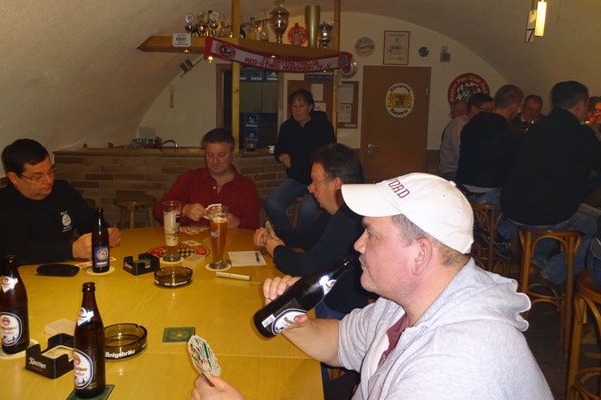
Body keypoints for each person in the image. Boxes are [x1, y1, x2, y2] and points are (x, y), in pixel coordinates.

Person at [191, 173, 552, 400]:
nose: (358, 244)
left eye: (372, 235)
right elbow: (340, 343)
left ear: (420, 254)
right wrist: (296, 321)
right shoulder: (405, 301)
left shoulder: (453, 369)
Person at [253, 143, 374, 320]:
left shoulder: (350, 219)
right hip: (328, 299)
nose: (310, 189)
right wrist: (272, 234)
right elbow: (307, 236)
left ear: (336, 184)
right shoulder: (339, 211)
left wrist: (276, 250)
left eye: (315, 182)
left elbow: (306, 268)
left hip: (342, 313)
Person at [501, 81, 601, 286]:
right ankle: (552, 274)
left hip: (515, 207)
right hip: (548, 211)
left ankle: (535, 265)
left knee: (553, 207)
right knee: (576, 217)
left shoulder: (537, 127)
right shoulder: (580, 133)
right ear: (580, 105)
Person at [0, 139, 121, 277]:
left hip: (57, 269)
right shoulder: (1, 207)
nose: (48, 180)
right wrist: (72, 250)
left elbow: (88, 221)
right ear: (14, 177)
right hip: (10, 280)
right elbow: (18, 252)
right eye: (37, 177)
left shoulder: (63, 190)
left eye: (50, 171)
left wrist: (105, 234)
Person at [455, 84, 525, 259]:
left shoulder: (471, 125)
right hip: (489, 193)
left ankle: (481, 231)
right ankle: (498, 235)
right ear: (514, 107)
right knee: (533, 205)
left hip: (463, 190)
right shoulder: (511, 133)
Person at [154, 128, 260, 230]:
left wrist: (237, 223)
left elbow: (254, 225)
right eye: (210, 155)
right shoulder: (190, 178)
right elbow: (158, 211)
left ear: (232, 155)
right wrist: (185, 209)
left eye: (221, 155)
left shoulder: (246, 186)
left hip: (230, 241)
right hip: (192, 241)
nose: (215, 161)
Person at [264, 89, 336, 231]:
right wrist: (283, 156)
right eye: (294, 106)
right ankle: (290, 236)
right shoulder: (287, 127)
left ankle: (305, 240)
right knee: (272, 203)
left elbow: (331, 151)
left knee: (307, 210)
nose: (297, 110)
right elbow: (279, 148)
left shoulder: (323, 126)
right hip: (296, 178)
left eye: (301, 106)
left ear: (310, 107)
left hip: (317, 180)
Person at [438, 92, 493, 181]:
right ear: (474, 109)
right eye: (487, 110)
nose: (490, 114)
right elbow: (461, 153)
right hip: (453, 171)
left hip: (470, 171)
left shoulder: (479, 125)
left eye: (491, 110)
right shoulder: (458, 123)